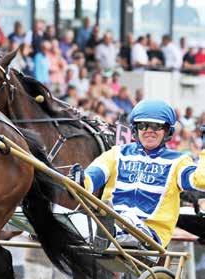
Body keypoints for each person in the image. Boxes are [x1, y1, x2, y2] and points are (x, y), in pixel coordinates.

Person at [81, 99, 205, 251]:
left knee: (120, 221)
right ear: (135, 129)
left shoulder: (178, 161)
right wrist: (79, 180)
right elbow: (91, 177)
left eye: (157, 126)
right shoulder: (117, 153)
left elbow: (201, 180)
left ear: (167, 131)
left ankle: (108, 232)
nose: (149, 130)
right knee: (73, 218)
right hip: (110, 222)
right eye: (143, 125)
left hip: (150, 237)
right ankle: (106, 232)